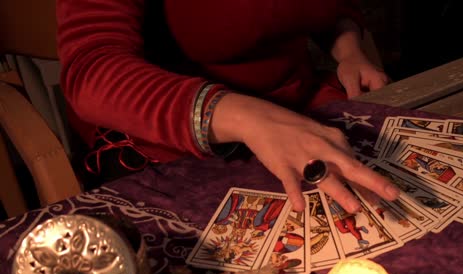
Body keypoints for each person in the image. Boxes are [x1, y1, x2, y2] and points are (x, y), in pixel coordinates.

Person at [56, 0, 400, 214]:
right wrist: (250, 119)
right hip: (175, 148)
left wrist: (348, 49)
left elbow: (331, 8)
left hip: (304, 108)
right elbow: (92, 69)